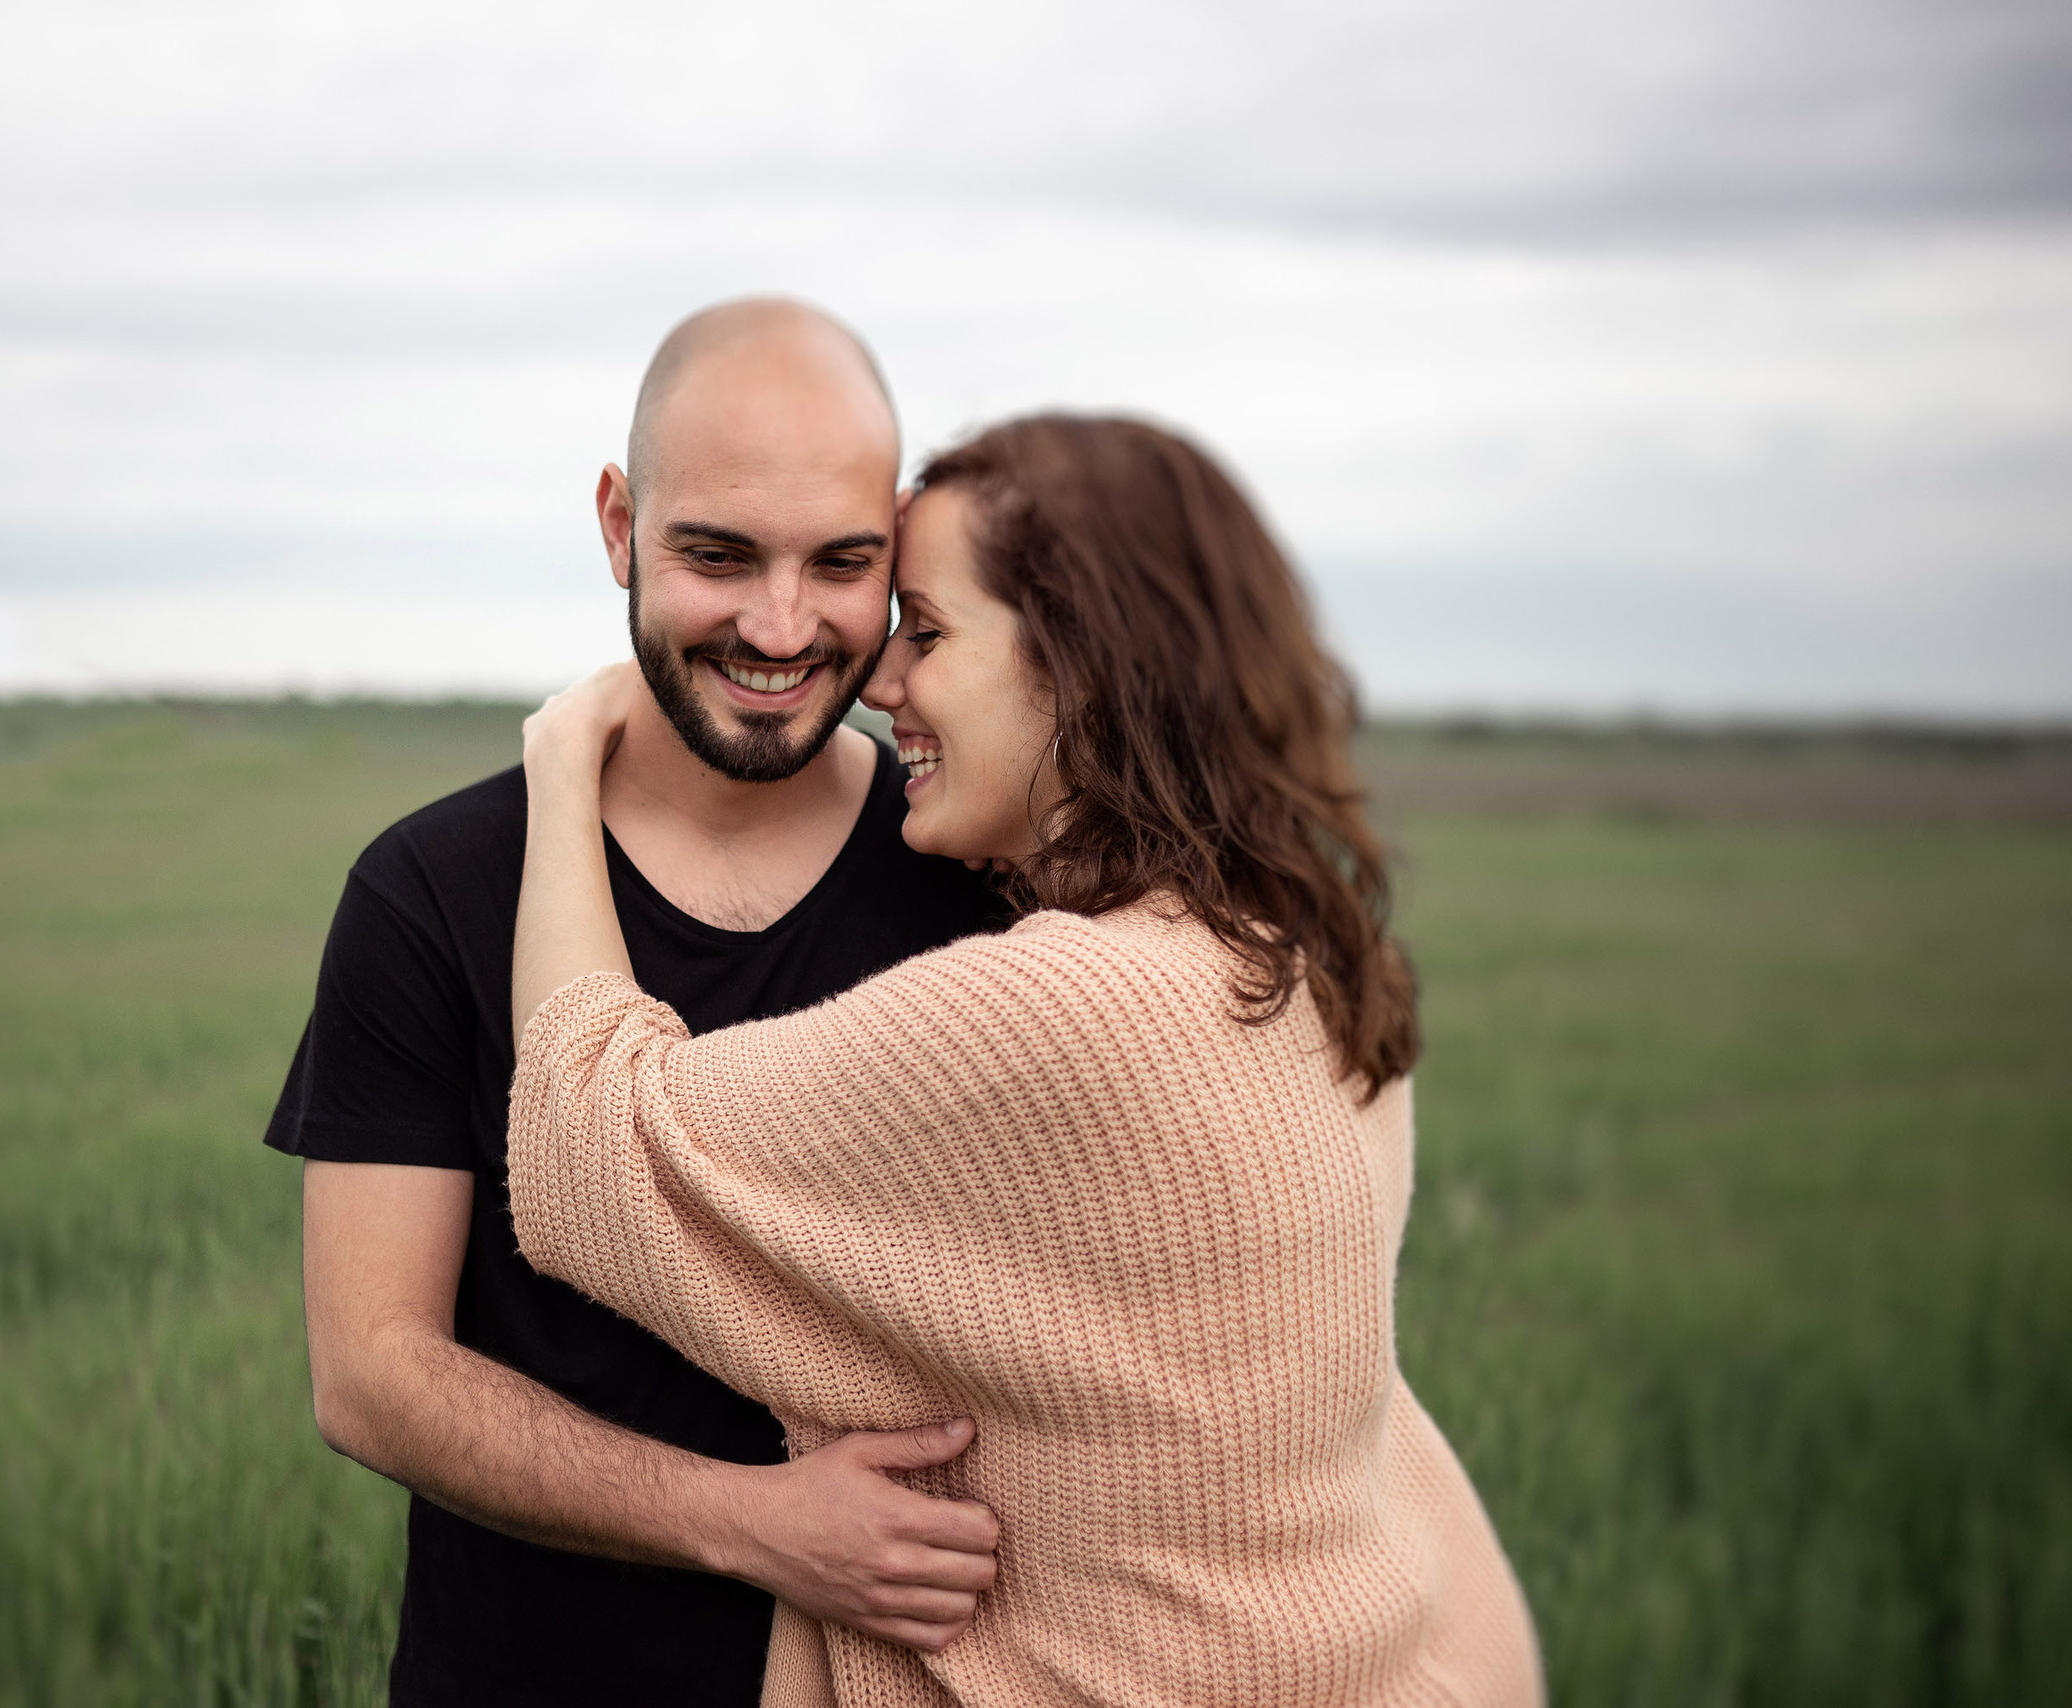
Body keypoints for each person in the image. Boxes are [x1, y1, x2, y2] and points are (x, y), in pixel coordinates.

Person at [505, 415, 1547, 1706]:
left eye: (929, 632)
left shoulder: (1070, 1005)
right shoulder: (1293, 957)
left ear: (1085, 667)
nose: (882, 682)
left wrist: (561, 766)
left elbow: (586, 1142)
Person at [267, 298, 1006, 1706]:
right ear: (620, 526)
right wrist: (755, 1525)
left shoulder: (979, 881)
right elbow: (371, 1372)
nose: (781, 627)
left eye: (842, 563)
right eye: (717, 556)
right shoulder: (432, 890)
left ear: (898, 552)